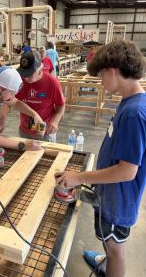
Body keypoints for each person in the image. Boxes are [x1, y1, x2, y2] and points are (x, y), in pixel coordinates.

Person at [55, 40, 146, 277]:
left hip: (119, 200)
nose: (101, 82)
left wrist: (78, 177)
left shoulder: (134, 113)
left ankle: (111, 265)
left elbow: (127, 171)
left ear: (112, 71)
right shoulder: (130, 102)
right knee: (109, 241)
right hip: (112, 194)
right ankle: (105, 261)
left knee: (116, 248)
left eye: (101, 76)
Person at [0, 51, 65, 142]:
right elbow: (8, 102)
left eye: (29, 75)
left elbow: (61, 105)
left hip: (46, 132)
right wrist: (1, 120)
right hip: (25, 130)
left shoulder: (52, 83)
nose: (25, 78)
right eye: (23, 74)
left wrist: (55, 121)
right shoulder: (19, 80)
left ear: (40, 70)